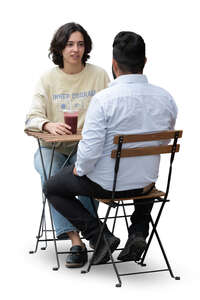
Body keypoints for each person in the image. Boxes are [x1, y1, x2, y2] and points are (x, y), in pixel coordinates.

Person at [43, 31, 178, 265]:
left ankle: (99, 236)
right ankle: (138, 231)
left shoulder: (104, 100)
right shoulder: (166, 98)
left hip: (109, 186)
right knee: (141, 173)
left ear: (114, 64)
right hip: (145, 185)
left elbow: (90, 152)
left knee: (52, 186)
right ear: (144, 62)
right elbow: (162, 142)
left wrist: (80, 168)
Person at [25, 22, 110, 268]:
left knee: (85, 173)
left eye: (80, 44)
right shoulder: (47, 79)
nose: (75, 49)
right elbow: (31, 117)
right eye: (70, 44)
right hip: (52, 148)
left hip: (85, 149)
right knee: (51, 175)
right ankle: (76, 242)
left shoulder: (99, 75)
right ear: (59, 48)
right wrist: (47, 125)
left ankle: (94, 234)